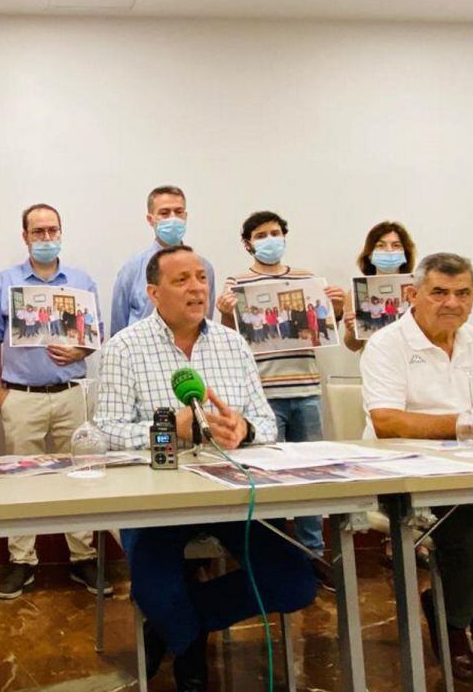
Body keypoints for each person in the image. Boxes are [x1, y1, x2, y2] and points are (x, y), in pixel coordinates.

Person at [95, 245, 316, 690]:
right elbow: (106, 431)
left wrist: (244, 429)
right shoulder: (125, 348)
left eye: (201, 277)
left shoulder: (234, 344)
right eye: (182, 280)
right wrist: (169, 429)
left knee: (297, 582)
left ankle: (177, 629)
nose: (196, 287)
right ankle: (187, 644)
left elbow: (268, 423)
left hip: (232, 491)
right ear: (154, 293)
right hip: (157, 497)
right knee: (154, 589)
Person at [361, 252, 473, 682]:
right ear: (412, 294)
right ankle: (452, 623)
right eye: (439, 292)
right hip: (415, 477)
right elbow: (386, 421)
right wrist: (470, 421)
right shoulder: (387, 344)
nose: (450, 303)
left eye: (461, 293)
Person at [216, 210, 345, 590]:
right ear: (247, 243)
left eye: (276, 233)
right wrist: (226, 313)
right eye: (261, 234)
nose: (270, 239)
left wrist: (336, 307)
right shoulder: (235, 283)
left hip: (305, 389)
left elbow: (327, 328)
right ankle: (271, 557)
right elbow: (228, 338)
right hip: (262, 397)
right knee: (267, 478)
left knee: (311, 477)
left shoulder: (307, 280)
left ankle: (313, 554)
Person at [0, 203, 103, 599]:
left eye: (53, 231)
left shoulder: (81, 281)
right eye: (38, 232)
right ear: (25, 237)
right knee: (19, 482)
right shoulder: (4, 282)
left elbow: (95, 334)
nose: (47, 238)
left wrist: (81, 353)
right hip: (22, 396)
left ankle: (84, 557)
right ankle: (22, 562)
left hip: (72, 395)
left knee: (80, 477)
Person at [110, 185, 216, 337]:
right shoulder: (131, 270)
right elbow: (118, 329)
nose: (173, 218)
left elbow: (204, 321)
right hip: (142, 356)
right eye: (164, 213)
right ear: (150, 219)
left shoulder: (204, 268)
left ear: (185, 216)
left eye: (178, 212)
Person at [344, 221, 418, 352]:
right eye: (380, 245)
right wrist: (352, 329)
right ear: (370, 254)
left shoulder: (419, 290)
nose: (389, 250)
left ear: (405, 253)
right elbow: (353, 346)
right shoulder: (356, 292)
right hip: (375, 364)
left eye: (396, 245)